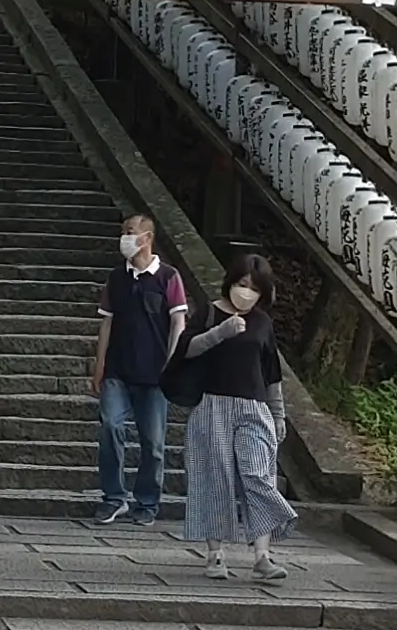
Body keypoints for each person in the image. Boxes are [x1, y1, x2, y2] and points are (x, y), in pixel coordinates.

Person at [176, 249, 297, 585]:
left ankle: (262, 554)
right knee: (214, 479)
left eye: (255, 287)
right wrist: (221, 333)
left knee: (259, 475)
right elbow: (187, 348)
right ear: (231, 282)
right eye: (243, 284)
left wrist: (278, 416)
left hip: (254, 408)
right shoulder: (210, 313)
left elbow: (272, 373)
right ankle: (215, 554)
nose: (247, 292)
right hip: (212, 405)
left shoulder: (263, 323)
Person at [90, 205, 189, 527]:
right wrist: (99, 365)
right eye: (123, 232)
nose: (125, 238)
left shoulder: (168, 277)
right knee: (110, 427)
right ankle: (113, 497)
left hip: (154, 373)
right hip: (118, 369)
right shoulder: (117, 278)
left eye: (130, 232)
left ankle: (147, 501)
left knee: (154, 443)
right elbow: (106, 323)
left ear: (147, 238)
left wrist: (174, 364)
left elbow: (178, 323)